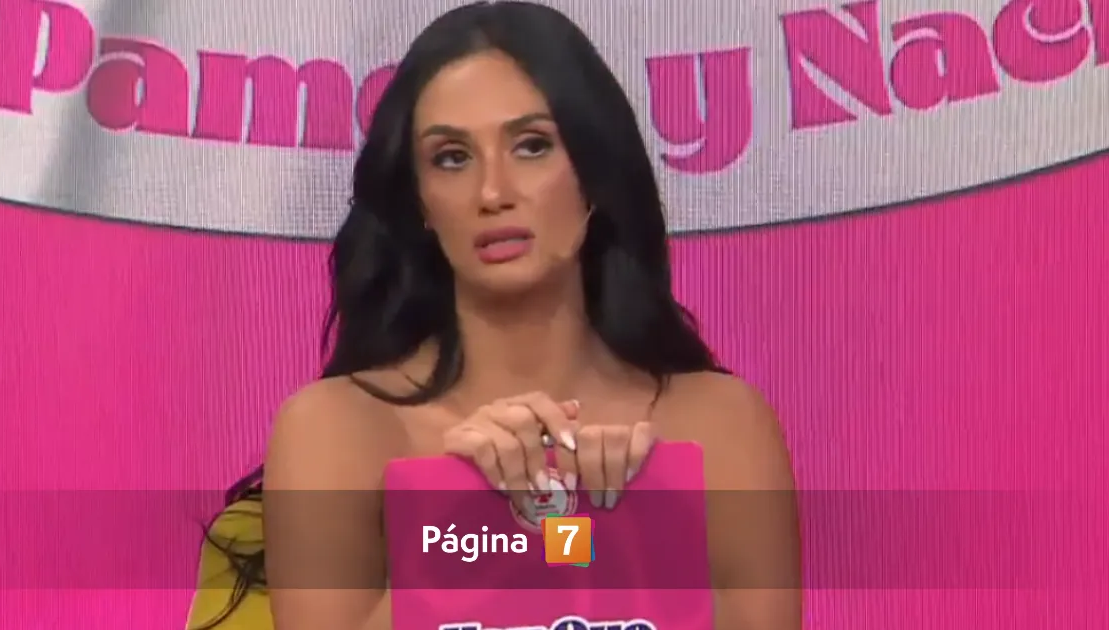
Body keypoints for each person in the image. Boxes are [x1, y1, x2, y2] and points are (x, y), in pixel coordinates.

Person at [185, 2, 801, 629]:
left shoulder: (720, 425)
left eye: (532, 146)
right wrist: (474, 518)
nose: (492, 192)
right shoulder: (337, 431)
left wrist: (619, 521)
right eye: (452, 157)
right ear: (420, 200)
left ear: (594, 173)